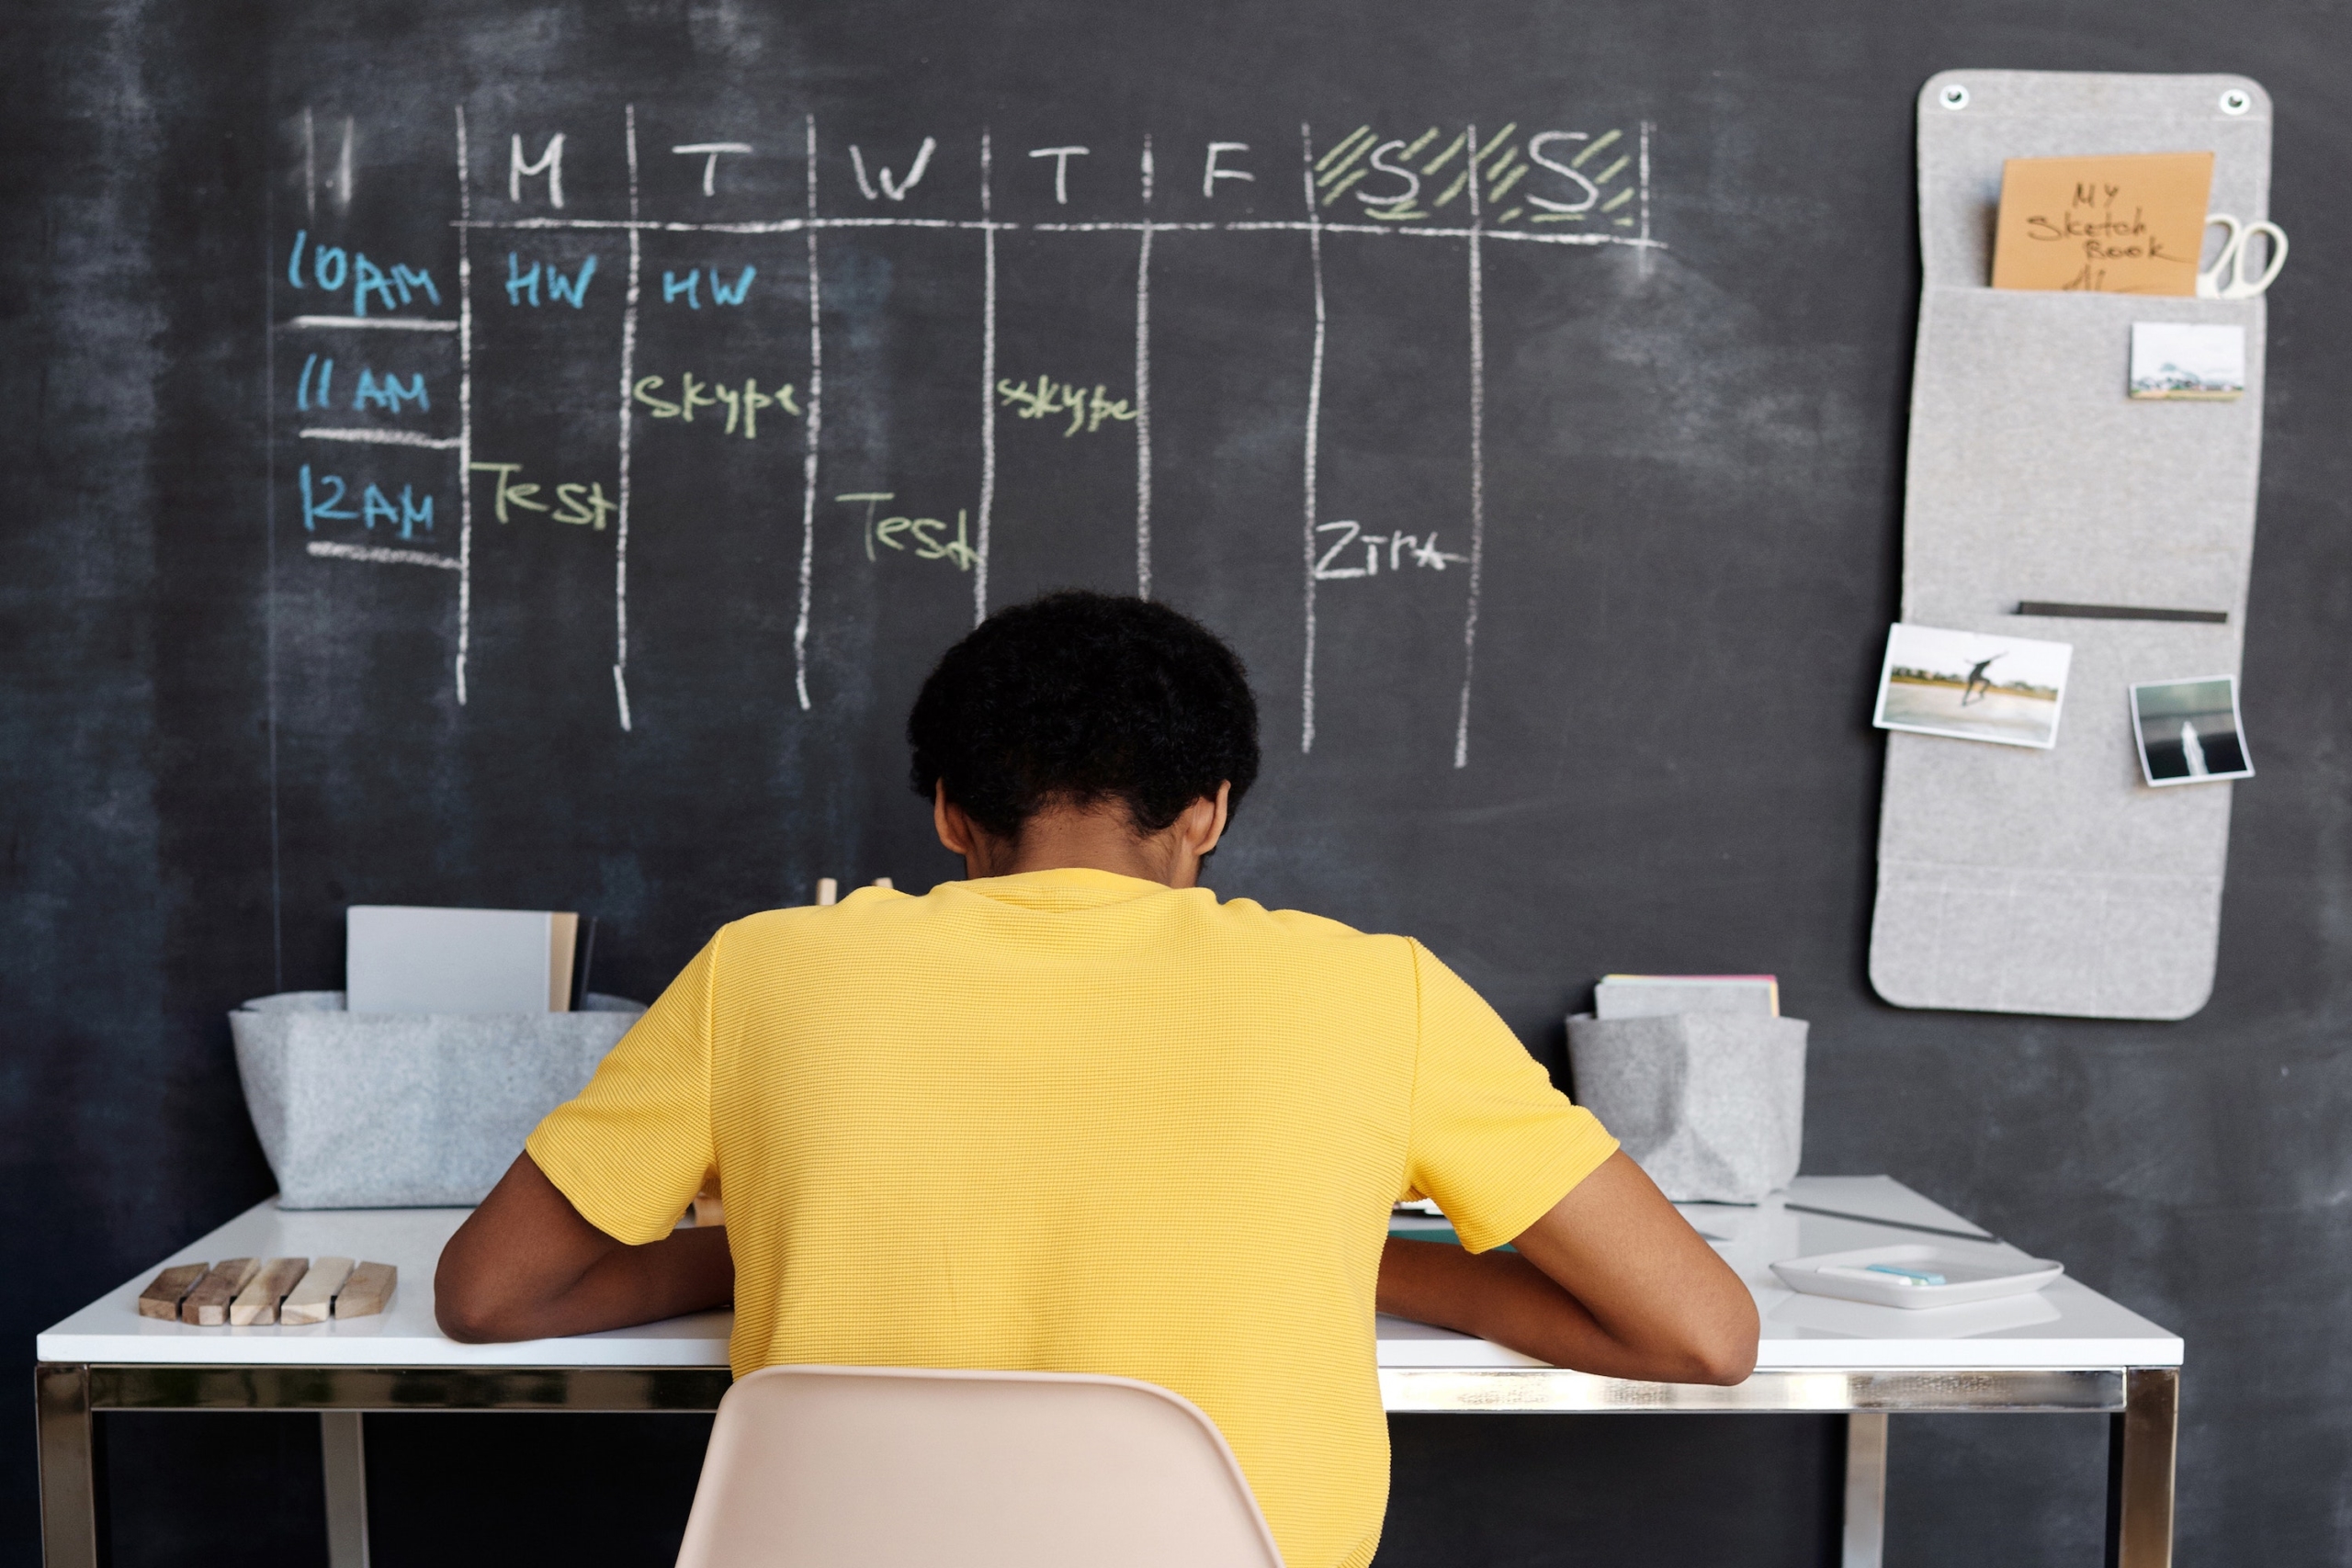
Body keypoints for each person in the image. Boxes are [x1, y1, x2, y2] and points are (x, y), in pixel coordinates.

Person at [435, 590, 1756, 1568]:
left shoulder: (760, 971)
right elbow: (1701, 1335)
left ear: (951, 813)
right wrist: (1372, 1259)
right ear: (1209, 813)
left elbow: (488, 1298)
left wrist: (781, 1241)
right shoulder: (1380, 988)